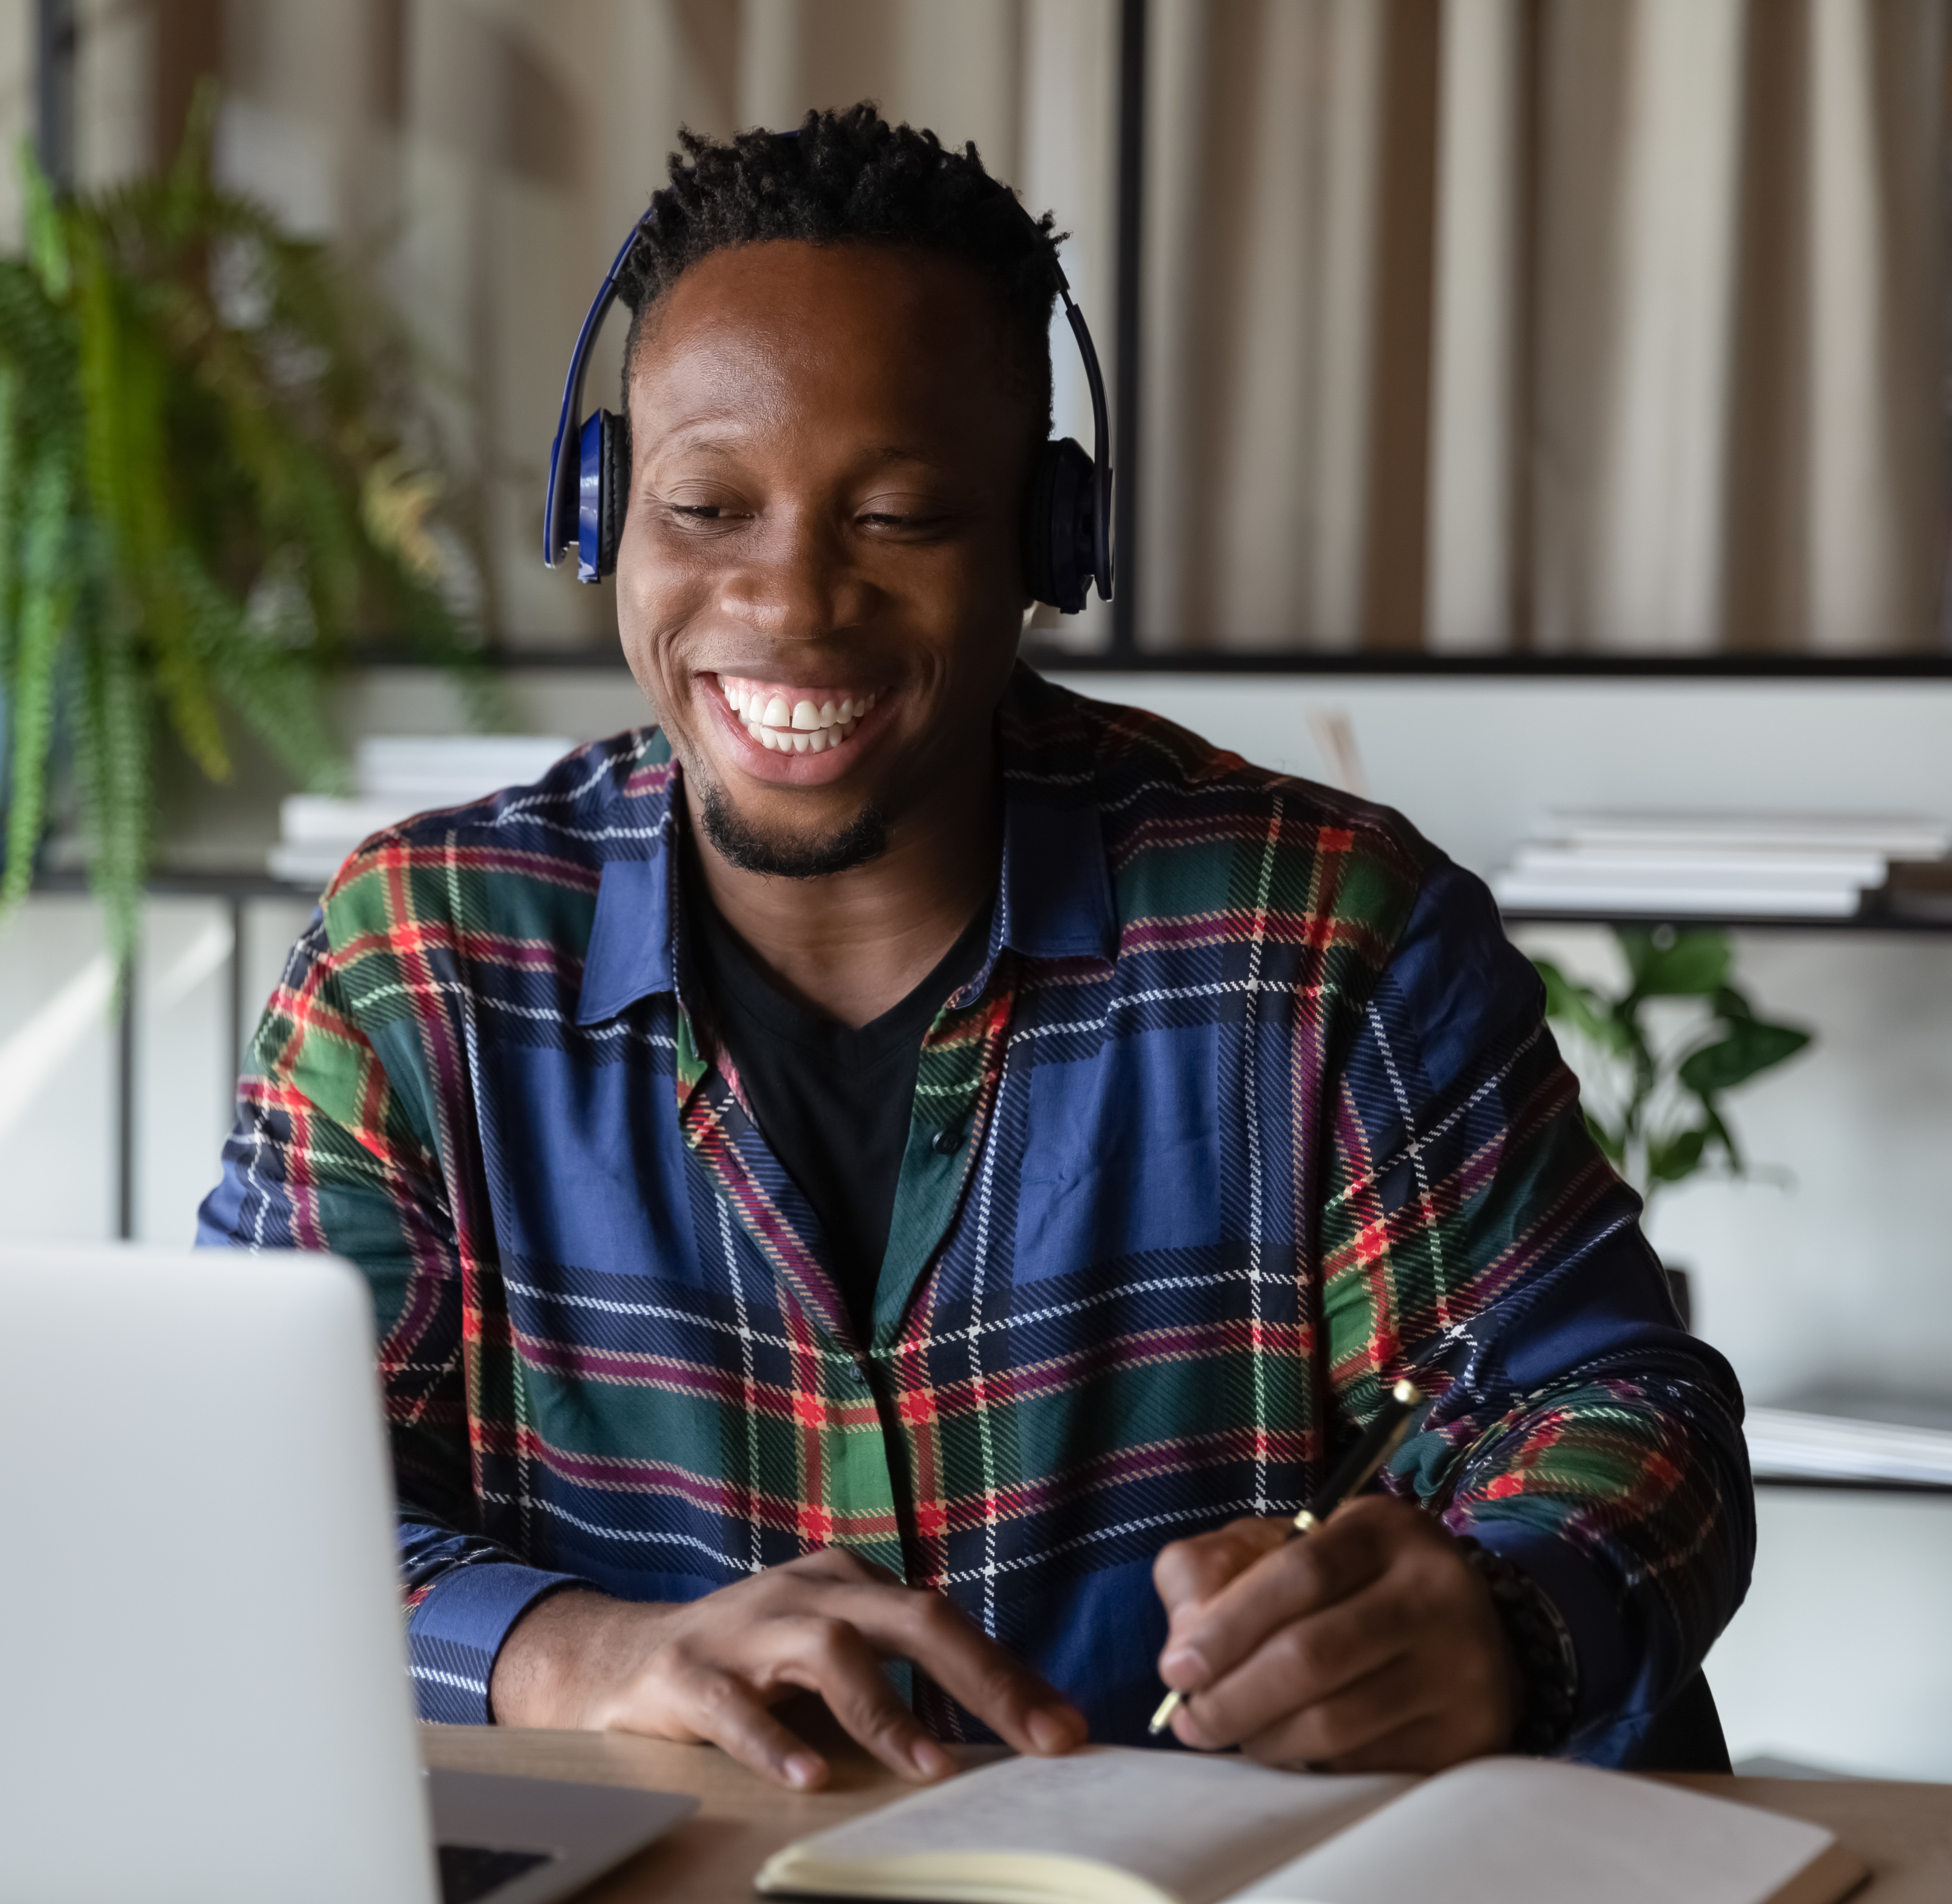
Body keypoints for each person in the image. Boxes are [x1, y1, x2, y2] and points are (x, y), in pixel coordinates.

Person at [198, 104, 1752, 1790]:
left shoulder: (1319, 941)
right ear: (600, 514)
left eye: (900, 517)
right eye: (707, 505)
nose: (789, 605)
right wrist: (591, 1651)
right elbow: (230, 1499)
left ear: (1046, 546)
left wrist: (1501, 1621)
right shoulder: (417, 960)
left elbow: (1624, 1418)